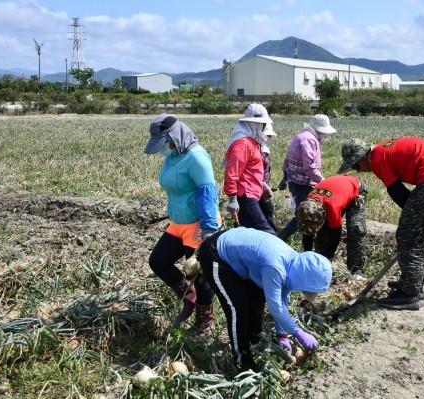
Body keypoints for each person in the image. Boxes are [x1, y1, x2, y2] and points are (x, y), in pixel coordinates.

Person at [337, 137, 424, 311]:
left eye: (356, 165)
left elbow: (397, 191)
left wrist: (413, 217)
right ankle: (416, 283)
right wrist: (419, 214)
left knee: (410, 234)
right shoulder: (383, 150)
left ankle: (409, 293)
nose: (358, 170)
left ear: (363, 156)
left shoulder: (377, 159)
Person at [197, 227, 332, 371]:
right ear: (304, 278)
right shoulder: (275, 266)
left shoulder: (293, 266)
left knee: (257, 301)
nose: (305, 291)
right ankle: (242, 360)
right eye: (308, 288)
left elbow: (282, 302)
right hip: (216, 253)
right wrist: (299, 333)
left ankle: (255, 343)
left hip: (243, 257)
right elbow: (276, 309)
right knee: (238, 308)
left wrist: (282, 335)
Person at [144, 114, 220, 329]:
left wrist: (208, 229)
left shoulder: (196, 157)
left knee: (199, 273)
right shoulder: (173, 155)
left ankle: (205, 321)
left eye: (164, 143)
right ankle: (189, 298)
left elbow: (207, 191)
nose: (162, 148)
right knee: (158, 261)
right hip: (178, 222)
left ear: (176, 137)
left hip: (199, 224)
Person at [277, 114, 337, 241]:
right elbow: (309, 167)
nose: (325, 136)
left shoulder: (301, 136)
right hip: (302, 184)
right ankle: (282, 237)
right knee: (305, 215)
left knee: (304, 213)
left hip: (295, 180)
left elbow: (287, 159)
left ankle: (303, 242)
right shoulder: (309, 139)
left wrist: (284, 176)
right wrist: (323, 182)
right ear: (319, 130)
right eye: (324, 132)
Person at [296, 174, 368, 276]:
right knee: (323, 233)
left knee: (355, 228)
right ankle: (318, 263)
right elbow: (307, 231)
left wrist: (328, 257)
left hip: (355, 189)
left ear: (323, 215)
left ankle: (356, 270)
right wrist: (306, 255)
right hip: (338, 192)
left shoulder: (331, 208)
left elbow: (335, 234)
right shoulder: (308, 205)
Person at [223, 104, 275, 233]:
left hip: (253, 193)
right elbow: (232, 172)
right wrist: (232, 199)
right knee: (267, 233)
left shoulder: (253, 143)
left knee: (251, 234)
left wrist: (262, 185)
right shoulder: (243, 144)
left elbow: (252, 171)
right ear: (254, 124)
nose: (264, 127)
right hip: (245, 194)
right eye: (262, 124)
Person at [258, 124, 278, 232]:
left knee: (267, 212)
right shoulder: (258, 150)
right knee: (267, 213)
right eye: (269, 135)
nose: (270, 138)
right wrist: (264, 185)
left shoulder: (263, 148)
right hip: (259, 189)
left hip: (262, 187)